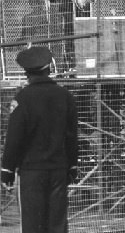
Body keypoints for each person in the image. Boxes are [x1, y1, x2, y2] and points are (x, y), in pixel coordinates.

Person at [1, 46, 78, 233]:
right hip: (59, 170)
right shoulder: (65, 96)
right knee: (58, 225)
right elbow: (71, 136)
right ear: (49, 69)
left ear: (27, 73)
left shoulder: (22, 99)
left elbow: (14, 138)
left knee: (33, 225)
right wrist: (72, 167)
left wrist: (7, 170)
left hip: (31, 172)